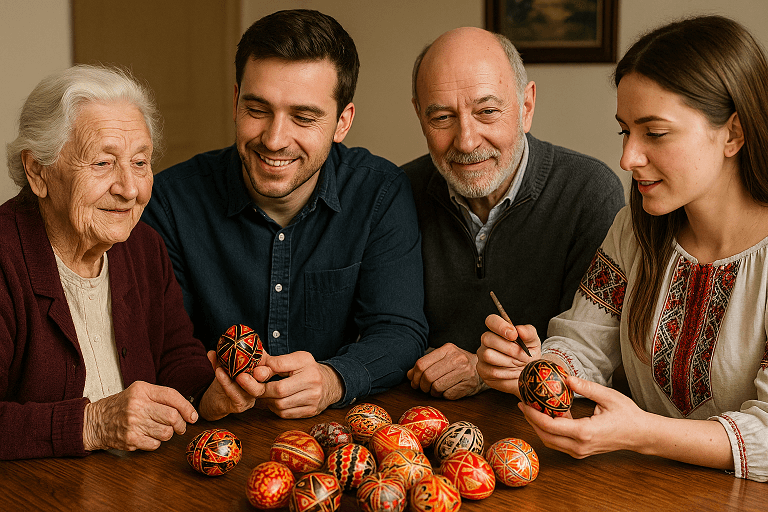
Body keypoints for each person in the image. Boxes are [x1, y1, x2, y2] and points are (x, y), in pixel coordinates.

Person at [477, 15, 768, 482]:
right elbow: (583, 343)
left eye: (654, 133)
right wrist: (540, 367)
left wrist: (641, 433)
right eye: (625, 131)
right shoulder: (636, 228)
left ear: (733, 133)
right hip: (637, 488)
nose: (628, 157)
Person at [142, 9, 428, 419]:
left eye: (304, 117)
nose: (275, 140)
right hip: (206, 432)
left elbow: (399, 331)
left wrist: (334, 380)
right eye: (258, 110)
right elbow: (163, 342)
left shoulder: (379, 192)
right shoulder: (169, 201)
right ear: (236, 100)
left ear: (342, 122)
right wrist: (201, 388)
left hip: (336, 433)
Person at [0, 64, 266, 460]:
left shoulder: (142, 246)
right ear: (38, 172)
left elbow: (174, 354)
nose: (130, 189)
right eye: (103, 163)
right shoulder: (6, 259)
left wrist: (209, 394)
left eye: (140, 163)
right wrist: (92, 424)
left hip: (133, 485)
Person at [404, 27, 624, 399]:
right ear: (419, 116)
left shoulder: (589, 192)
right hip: (421, 413)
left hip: (544, 424)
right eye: (442, 117)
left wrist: (485, 370)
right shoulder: (398, 192)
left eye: (487, 111)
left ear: (526, 107)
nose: (467, 140)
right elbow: (380, 330)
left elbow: (591, 355)